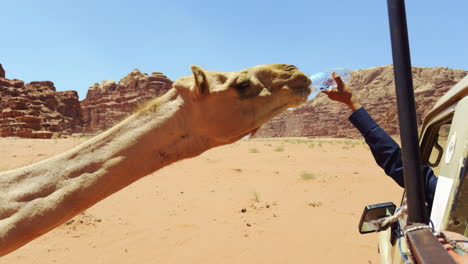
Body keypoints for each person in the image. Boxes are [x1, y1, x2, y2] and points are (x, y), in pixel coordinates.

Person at [322, 73, 438, 210]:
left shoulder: (451, 193)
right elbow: (399, 164)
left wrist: (352, 102)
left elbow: (398, 164)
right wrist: (351, 101)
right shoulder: (455, 194)